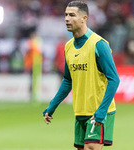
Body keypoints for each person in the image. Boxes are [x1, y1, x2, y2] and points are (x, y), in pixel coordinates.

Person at [43, 1, 120, 150]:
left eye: (72, 15)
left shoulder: (99, 44)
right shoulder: (69, 46)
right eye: (65, 15)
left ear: (84, 18)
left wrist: (102, 111)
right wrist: (52, 106)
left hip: (99, 112)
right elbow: (67, 79)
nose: (67, 19)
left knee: (90, 147)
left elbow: (114, 79)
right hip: (80, 111)